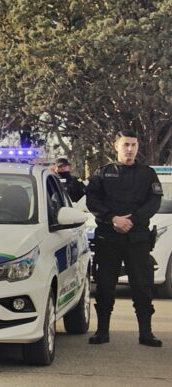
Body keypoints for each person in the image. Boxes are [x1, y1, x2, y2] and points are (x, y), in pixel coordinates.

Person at [86, 130, 163, 347]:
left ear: (138, 147)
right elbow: (92, 200)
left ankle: (146, 333)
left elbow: (154, 202)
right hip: (108, 237)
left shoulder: (147, 174)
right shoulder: (103, 173)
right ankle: (102, 332)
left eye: (133, 145)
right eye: (125, 145)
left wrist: (132, 220)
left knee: (142, 286)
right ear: (116, 147)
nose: (129, 149)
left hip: (137, 238)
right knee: (105, 286)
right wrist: (113, 219)